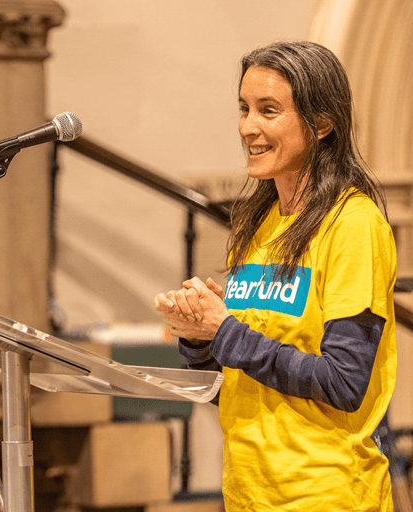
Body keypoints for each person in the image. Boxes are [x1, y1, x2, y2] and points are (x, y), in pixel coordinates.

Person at [155, 41, 397, 511]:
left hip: (325, 495)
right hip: (249, 493)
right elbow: (243, 382)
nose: (248, 127)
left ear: (322, 123)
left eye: (269, 111)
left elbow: (343, 383)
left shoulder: (353, 225)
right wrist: (199, 338)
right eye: (244, 109)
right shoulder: (255, 223)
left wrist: (224, 331)